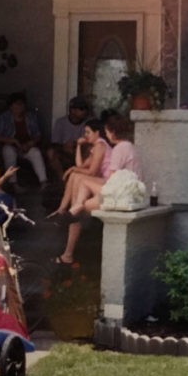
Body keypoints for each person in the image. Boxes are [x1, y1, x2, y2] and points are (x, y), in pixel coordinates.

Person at [53, 115, 142, 265]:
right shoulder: (126, 146)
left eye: (107, 132)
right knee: (79, 180)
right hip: (125, 189)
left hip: (123, 192)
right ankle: (72, 210)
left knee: (82, 190)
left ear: (113, 132)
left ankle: (73, 213)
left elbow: (112, 181)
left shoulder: (119, 148)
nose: (106, 135)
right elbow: (82, 167)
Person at [47, 118, 111, 220]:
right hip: (99, 180)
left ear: (97, 133)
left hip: (107, 181)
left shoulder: (100, 145)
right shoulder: (95, 146)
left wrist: (72, 169)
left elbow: (91, 172)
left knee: (76, 175)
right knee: (75, 174)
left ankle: (67, 209)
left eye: (88, 132)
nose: (85, 135)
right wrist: (78, 146)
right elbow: (80, 166)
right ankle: (62, 209)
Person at [0, 92, 47, 189]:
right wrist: (13, 141)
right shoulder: (4, 118)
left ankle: (44, 182)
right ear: (10, 106)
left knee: (36, 152)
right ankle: (14, 184)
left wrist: (31, 143)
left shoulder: (30, 117)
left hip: (26, 147)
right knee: (8, 150)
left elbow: (38, 135)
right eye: (16, 104)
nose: (19, 107)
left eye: (21, 104)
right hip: (11, 147)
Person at [45, 96, 90, 181]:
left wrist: (75, 145)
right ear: (73, 110)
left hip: (79, 152)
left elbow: (88, 142)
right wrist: (64, 147)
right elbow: (54, 143)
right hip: (64, 152)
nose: (85, 112)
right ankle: (63, 179)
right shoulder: (61, 122)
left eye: (85, 109)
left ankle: (81, 180)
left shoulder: (87, 124)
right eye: (82, 109)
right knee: (50, 152)